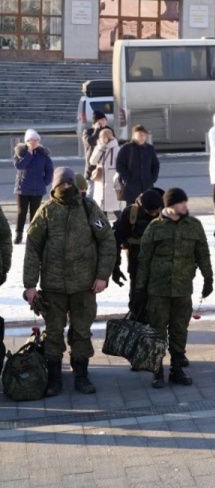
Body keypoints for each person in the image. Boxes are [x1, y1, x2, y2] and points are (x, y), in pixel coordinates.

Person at [22, 168, 115, 396]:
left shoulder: (88, 208)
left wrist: (103, 275)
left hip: (85, 285)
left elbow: (107, 241)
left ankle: (81, 375)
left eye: (69, 183)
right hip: (53, 287)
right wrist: (30, 285)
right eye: (62, 184)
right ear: (54, 186)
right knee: (53, 333)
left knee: (81, 332)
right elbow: (33, 248)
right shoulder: (46, 212)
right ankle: (54, 378)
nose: (66, 187)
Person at [132, 188, 213, 388]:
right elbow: (144, 261)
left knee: (179, 330)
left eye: (185, 202)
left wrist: (208, 278)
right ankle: (157, 371)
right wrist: (139, 290)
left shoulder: (194, 226)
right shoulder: (154, 228)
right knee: (157, 331)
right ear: (169, 205)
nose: (185, 206)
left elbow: (203, 253)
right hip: (157, 290)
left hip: (183, 289)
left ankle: (177, 369)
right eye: (181, 203)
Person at [112, 188, 163, 303]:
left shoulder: (168, 212)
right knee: (137, 301)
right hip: (137, 265)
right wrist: (115, 268)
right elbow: (115, 240)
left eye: (156, 211)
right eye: (151, 213)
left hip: (162, 267)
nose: (154, 215)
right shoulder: (131, 213)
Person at [12, 128, 53, 244]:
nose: (34, 142)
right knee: (22, 212)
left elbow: (49, 169)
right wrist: (29, 153)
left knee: (35, 213)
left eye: (36, 140)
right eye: (31, 140)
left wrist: (45, 182)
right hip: (22, 189)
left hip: (37, 189)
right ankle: (18, 234)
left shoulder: (43, 154)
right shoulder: (20, 153)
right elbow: (20, 166)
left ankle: (33, 235)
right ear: (26, 141)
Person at [115, 125, 160, 207]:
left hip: (147, 186)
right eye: (139, 135)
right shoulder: (126, 148)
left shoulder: (149, 148)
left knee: (147, 209)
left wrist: (153, 178)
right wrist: (127, 178)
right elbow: (119, 165)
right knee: (132, 211)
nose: (141, 137)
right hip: (131, 187)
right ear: (133, 136)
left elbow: (156, 165)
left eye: (143, 135)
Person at [87, 129, 121, 218]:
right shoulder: (98, 147)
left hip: (112, 181)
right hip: (100, 181)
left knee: (115, 208)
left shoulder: (116, 149)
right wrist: (100, 149)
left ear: (110, 137)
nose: (103, 139)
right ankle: (103, 229)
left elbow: (121, 164)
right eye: (102, 137)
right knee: (101, 210)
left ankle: (122, 226)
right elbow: (92, 161)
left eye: (105, 137)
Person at [81, 112, 113, 192]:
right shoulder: (88, 132)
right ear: (96, 122)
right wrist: (97, 130)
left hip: (107, 168)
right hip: (92, 169)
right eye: (102, 120)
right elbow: (91, 142)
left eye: (105, 119)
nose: (105, 121)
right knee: (91, 193)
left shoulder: (109, 130)